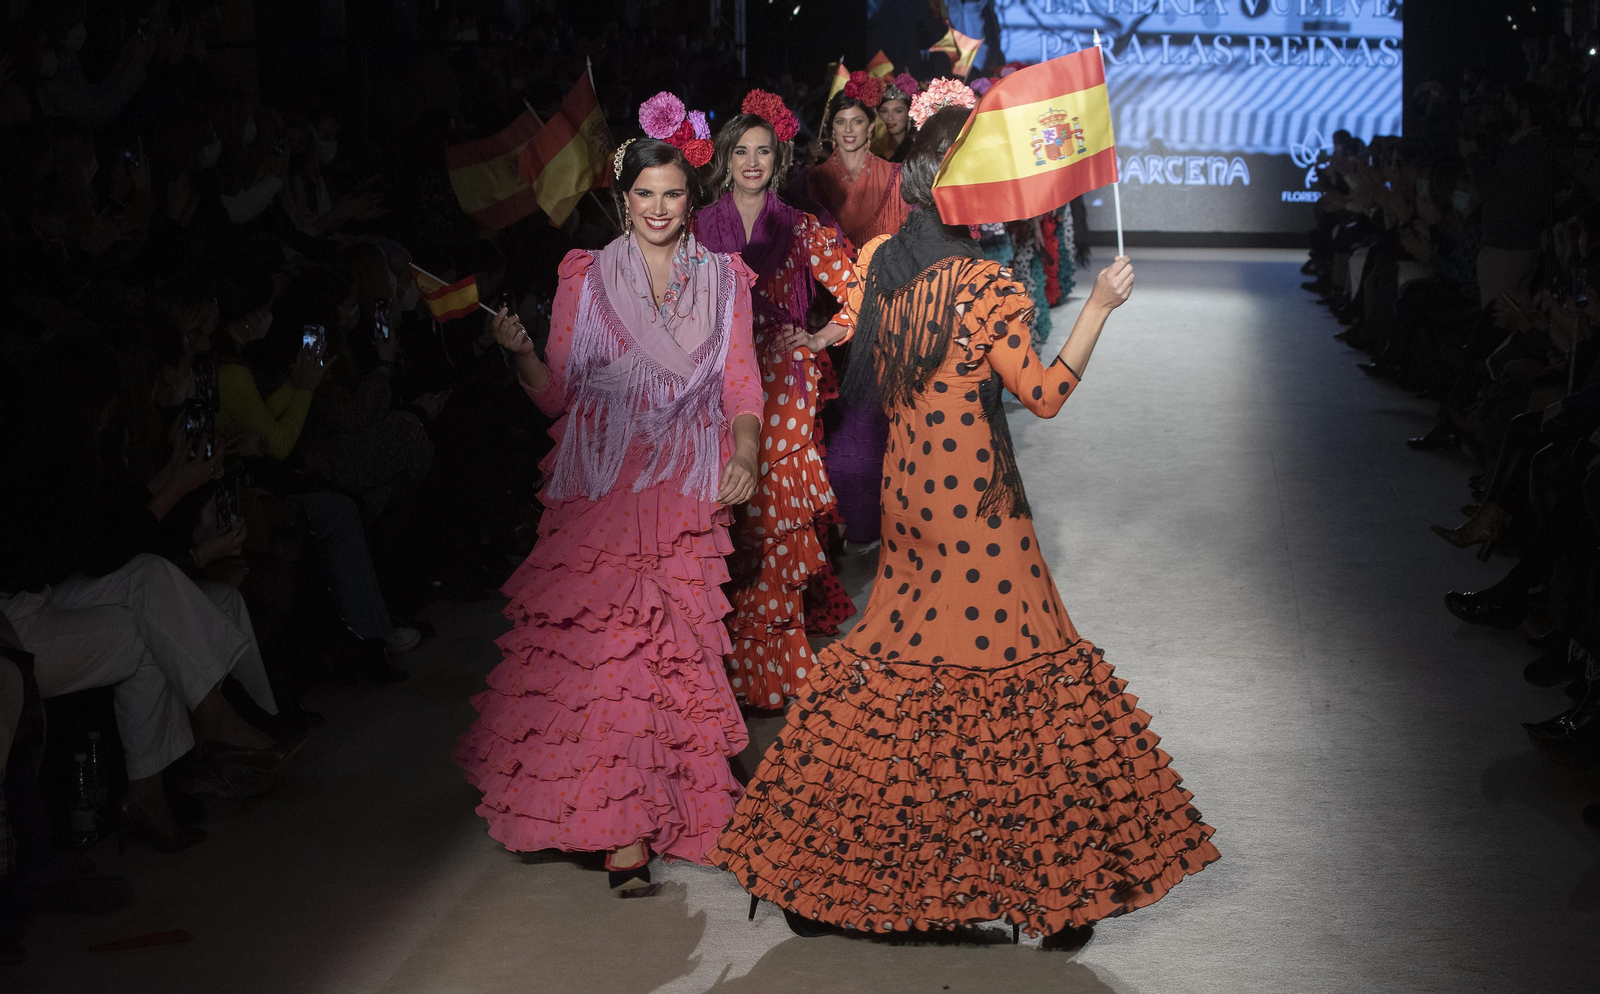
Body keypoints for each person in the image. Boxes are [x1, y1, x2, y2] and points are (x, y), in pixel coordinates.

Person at [711, 106, 1219, 944]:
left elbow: (868, 370)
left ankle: (816, 869)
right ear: (955, 185)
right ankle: (1055, 891)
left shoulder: (886, 265)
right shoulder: (985, 286)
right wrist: (1098, 307)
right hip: (978, 510)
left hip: (912, 500)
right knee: (1015, 682)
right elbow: (1045, 396)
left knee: (895, 666)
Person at [454, 136, 763, 888]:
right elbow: (558, 393)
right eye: (645, 194)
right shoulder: (584, 278)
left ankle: (662, 811)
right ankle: (619, 826)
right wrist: (522, 354)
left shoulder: (726, 280)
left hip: (686, 488)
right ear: (623, 198)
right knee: (608, 660)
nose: (659, 209)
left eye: (673, 194)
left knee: (674, 659)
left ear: (693, 199)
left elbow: (742, 386)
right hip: (599, 488)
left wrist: (747, 453)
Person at [696, 101, 862, 708]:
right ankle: (721, 673)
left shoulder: (799, 226)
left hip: (784, 384)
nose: (752, 162)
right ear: (724, 159)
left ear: (779, 158)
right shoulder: (695, 226)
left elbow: (859, 291)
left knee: (771, 529)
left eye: (763, 151)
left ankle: (769, 674)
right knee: (724, 526)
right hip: (713, 382)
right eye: (740, 151)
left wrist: (819, 337)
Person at [808, 91, 914, 547]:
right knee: (837, 419)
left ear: (870, 127)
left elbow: (903, 240)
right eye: (841, 123)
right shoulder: (811, 182)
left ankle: (879, 519)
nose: (849, 130)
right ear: (830, 129)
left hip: (882, 307)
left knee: (876, 416)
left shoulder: (894, 178)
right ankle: (844, 520)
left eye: (857, 122)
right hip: (827, 308)